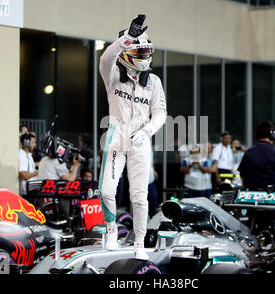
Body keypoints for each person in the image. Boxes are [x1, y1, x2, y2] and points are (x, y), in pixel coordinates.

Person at [98, 14, 167, 260]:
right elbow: (106, 57)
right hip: (116, 137)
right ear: (127, 54)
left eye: (146, 51)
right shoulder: (113, 76)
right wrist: (127, 38)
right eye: (139, 52)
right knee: (106, 191)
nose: (144, 57)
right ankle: (111, 230)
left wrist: (147, 131)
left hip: (141, 141)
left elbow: (160, 113)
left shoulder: (154, 82)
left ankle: (139, 243)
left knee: (139, 197)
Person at [238, 121, 275, 192]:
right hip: (270, 197)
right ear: (273, 135)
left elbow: (242, 177)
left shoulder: (248, 153)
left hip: (249, 197)